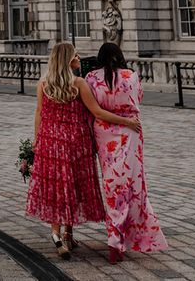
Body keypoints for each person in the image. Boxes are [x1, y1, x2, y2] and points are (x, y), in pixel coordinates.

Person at [26, 42, 141, 261]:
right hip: (75, 142)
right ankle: (67, 234)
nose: (79, 58)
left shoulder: (43, 83)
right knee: (71, 185)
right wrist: (126, 121)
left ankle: (58, 234)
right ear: (69, 60)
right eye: (76, 55)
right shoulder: (78, 83)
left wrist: (37, 139)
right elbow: (97, 112)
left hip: (51, 141)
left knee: (58, 186)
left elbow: (39, 112)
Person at [86, 43, 168, 263]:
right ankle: (128, 235)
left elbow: (91, 109)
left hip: (104, 133)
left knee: (113, 186)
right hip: (130, 132)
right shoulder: (131, 76)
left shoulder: (92, 78)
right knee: (132, 185)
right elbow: (138, 98)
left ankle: (116, 238)